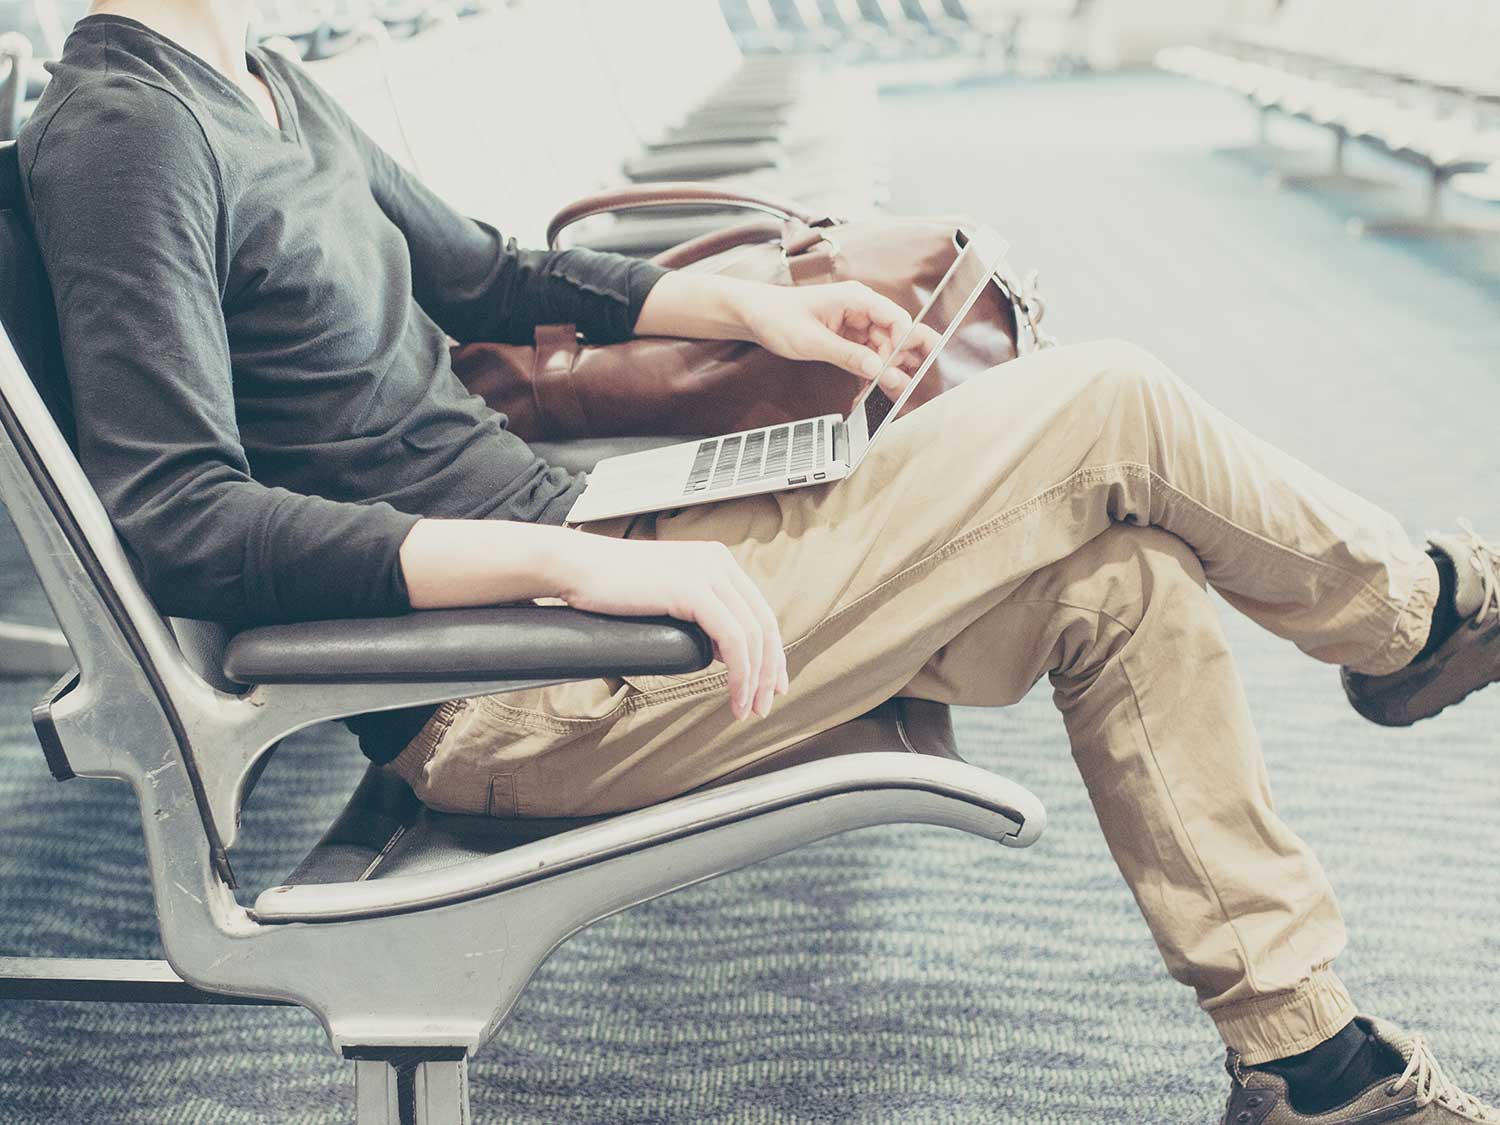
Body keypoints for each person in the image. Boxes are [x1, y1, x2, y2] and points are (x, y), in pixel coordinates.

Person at [17, 3, 1497, 1122]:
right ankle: (1417, 614)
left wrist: (746, 313)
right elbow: (182, 513)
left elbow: (485, 269)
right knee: (1103, 402)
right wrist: (574, 568)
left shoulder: (266, 84)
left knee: (1119, 577)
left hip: (597, 572)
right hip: (512, 689)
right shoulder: (126, 137)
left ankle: (1304, 1055)